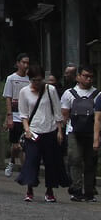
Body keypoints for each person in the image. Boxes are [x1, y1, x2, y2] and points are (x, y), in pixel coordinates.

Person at [18, 62, 70, 202]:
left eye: (39, 80)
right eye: (34, 80)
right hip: (33, 131)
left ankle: (50, 190)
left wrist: (59, 130)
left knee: (51, 162)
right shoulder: (24, 92)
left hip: (50, 129)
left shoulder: (50, 90)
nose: (37, 83)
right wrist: (27, 129)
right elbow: (23, 114)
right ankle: (30, 188)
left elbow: (57, 111)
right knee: (32, 160)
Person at [62, 64, 98, 200]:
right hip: (73, 131)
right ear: (78, 77)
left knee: (90, 162)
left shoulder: (97, 94)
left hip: (91, 132)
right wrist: (61, 131)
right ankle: (76, 189)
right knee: (75, 159)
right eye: (85, 76)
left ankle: (89, 191)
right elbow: (64, 114)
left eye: (91, 77)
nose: (88, 79)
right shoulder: (69, 93)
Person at [3, 52, 31, 177]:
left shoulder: (30, 79)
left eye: (27, 63)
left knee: (23, 145)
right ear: (18, 64)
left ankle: (24, 170)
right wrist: (9, 116)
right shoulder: (11, 78)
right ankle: (12, 161)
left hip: (28, 116)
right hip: (15, 115)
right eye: (23, 62)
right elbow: (8, 97)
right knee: (16, 145)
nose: (25, 65)